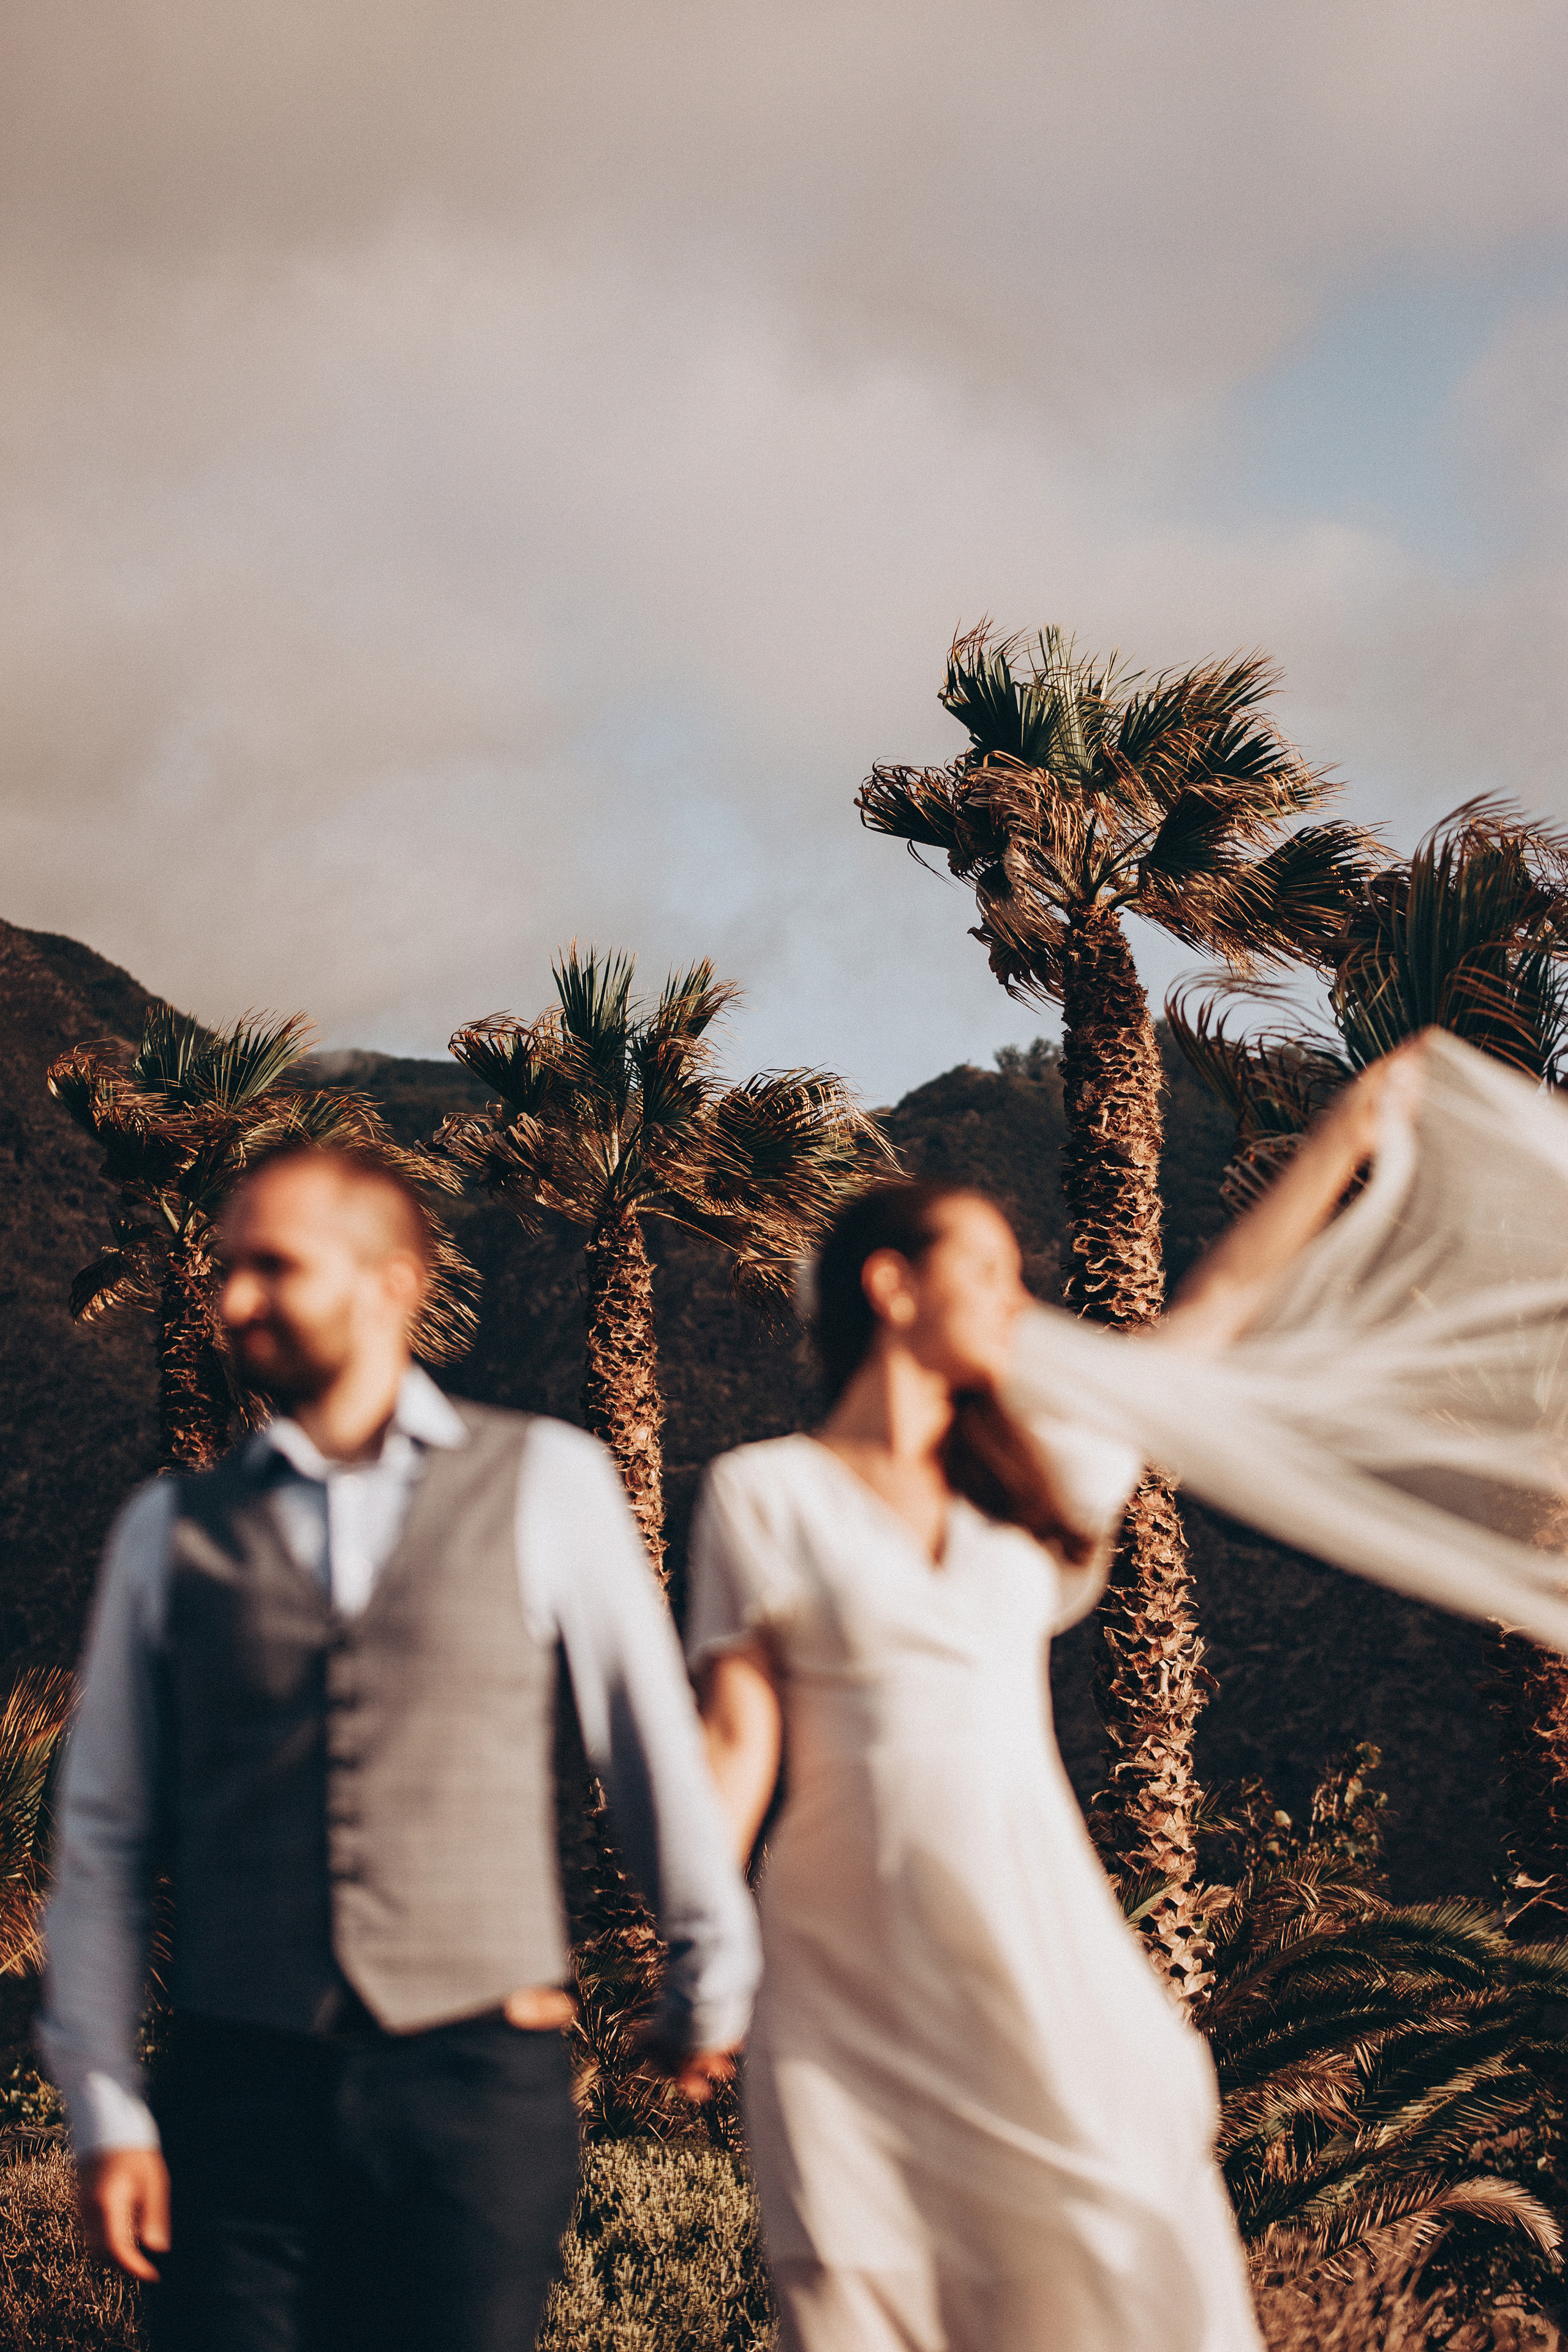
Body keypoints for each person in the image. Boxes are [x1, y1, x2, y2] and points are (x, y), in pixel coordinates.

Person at [687, 1057, 1412, 2352]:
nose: (1011, 1305)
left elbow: (1211, 1312)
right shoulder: (766, 1492)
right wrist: (701, 1945)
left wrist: (1346, 1134)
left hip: (1029, 1928)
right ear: (889, 1285)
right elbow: (738, 1742)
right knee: (861, 2278)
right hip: (839, 1949)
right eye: (981, 1272)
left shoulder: (1027, 1491)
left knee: (1099, 2239)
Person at [39, 1142, 760, 2352]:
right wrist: (107, 2108)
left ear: (390, 1284)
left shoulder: (549, 1482)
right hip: (234, 2094)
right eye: (227, 1269)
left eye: (273, 1267)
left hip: (474, 2095)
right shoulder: (170, 1531)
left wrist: (710, 1975)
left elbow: (647, 1756)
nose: (231, 1301)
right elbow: (105, 1839)